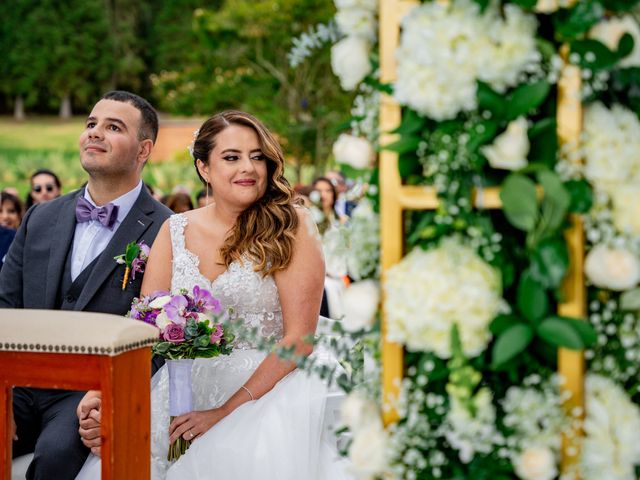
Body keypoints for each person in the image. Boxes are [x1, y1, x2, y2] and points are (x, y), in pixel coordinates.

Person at [76, 110, 350, 479]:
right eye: (232, 157)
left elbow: (298, 339)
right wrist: (106, 393)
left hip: (269, 389)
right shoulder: (175, 229)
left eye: (257, 157)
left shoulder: (291, 226)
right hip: (180, 387)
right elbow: (143, 331)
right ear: (204, 167)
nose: (248, 168)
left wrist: (224, 412)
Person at [0, 90, 172, 480]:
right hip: (21, 382)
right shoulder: (39, 217)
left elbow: (163, 336)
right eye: (91, 124)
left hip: (93, 391)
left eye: (113, 127)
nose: (95, 133)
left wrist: (115, 398)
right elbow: (4, 308)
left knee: (55, 459)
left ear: (143, 150)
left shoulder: (167, 228)